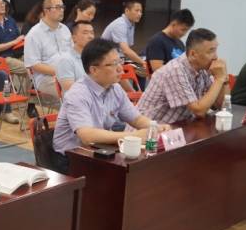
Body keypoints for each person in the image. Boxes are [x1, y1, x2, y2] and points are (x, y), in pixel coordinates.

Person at [51, 39, 168, 175]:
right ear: (94, 70)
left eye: (120, 61)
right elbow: (87, 136)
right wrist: (133, 135)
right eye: (113, 64)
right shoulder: (78, 94)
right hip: (70, 158)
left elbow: (136, 119)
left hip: (98, 151)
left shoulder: (115, 88)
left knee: (142, 170)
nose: (120, 68)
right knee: (127, 174)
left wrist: (155, 127)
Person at [137, 28, 230, 124]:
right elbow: (199, 111)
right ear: (193, 54)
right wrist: (219, 79)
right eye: (210, 51)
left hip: (176, 127)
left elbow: (222, 106)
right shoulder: (175, 70)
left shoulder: (204, 69)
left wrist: (224, 79)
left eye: (215, 50)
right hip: (147, 129)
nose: (215, 57)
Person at [23, 0, 72, 106]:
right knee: (75, 90)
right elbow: (34, 65)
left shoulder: (64, 29)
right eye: (57, 7)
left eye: (62, 7)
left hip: (68, 74)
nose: (61, 10)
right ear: (46, 10)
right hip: (46, 78)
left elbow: (72, 54)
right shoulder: (34, 34)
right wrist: (61, 72)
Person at [145, 9, 195, 75]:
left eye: (187, 31)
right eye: (183, 30)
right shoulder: (157, 41)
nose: (184, 34)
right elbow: (157, 70)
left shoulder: (180, 43)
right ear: (173, 24)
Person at [101, 1, 147, 73]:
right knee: (143, 65)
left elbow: (128, 48)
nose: (139, 14)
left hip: (119, 57)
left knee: (146, 56)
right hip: (108, 60)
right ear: (127, 11)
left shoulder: (131, 23)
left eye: (141, 11)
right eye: (136, 10)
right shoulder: (120, 24)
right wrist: (142, 62)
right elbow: (126, 51)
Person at [52, 20, 95, 92]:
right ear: (74, 38)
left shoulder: (96, 57)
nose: (90, 36)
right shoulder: (65, 60)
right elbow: (70, 89)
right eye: (85, 33)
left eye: (92, 33)